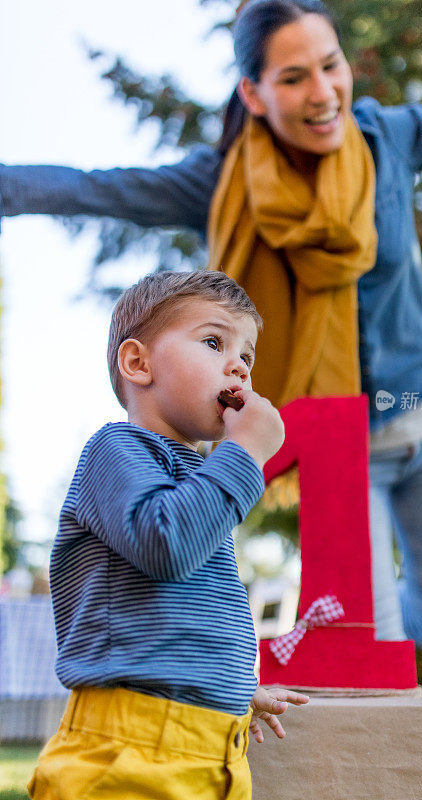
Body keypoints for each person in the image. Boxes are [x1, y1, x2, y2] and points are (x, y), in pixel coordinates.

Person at [1, 0, 422, 653]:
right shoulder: (222, 183)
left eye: (330, 66)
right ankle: (335, 648)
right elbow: (96, 188)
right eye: (292, 78)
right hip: (334, 446)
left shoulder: (383, 142)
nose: (322, 93)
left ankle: (318, 630)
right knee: (373, 641)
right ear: (252, 92)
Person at [27, 269, 308, 800]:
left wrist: (234, 689)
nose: (238, 367)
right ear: (138, 363)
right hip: (128, 751)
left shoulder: (200, 480)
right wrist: (245, 453)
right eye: (213, 341)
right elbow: (167, 545)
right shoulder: (116, 450)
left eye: (246, 355)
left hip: (213, 757)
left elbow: (178, 617)